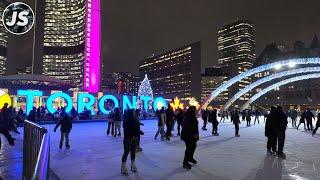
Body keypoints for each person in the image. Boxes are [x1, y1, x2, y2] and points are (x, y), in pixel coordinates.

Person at [121, 109, 140, 175]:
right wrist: (133, 133)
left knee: (133, 152)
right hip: (128, 138)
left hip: (135, 138)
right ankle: (123, 166)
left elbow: (136, 128)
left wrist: (138, 132)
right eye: (133, 112)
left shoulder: (135, 119)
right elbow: (127, 130)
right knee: (126, 152)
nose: (135, 113)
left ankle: (133, 165)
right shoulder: (127, 120)